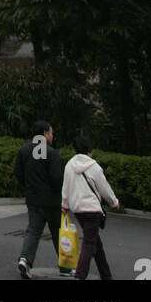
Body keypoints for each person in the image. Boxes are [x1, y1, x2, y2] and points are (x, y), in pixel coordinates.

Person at [14, 118, 67, 278]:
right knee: (58, 232)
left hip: (33, 198)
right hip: (51, 201)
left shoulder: (23, 151)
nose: (53, 135)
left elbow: (18, 173)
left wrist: (28, 186)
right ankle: (65, 266)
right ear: (45, 134)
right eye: (51, 132)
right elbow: (58, 178)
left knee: (33, 231)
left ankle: (25, 260)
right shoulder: (52, 153)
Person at [61, 135, 119, 281]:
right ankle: (80, 275)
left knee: (95, 242)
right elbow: (104, 188)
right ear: (89, 149)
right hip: (92, 210)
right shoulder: (94, 166)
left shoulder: (69, 165)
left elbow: (65, 188)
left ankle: (106, 274)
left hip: (78, 210)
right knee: (89, 243)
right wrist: (114, 202)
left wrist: (65, 205)